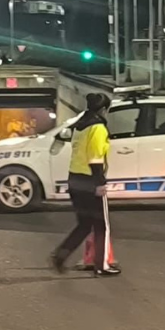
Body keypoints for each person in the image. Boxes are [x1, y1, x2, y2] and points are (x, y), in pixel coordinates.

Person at [50, 92, 121, 277]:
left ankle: (60, 255)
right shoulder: (97, 128)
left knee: (84, 225)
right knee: (101, 226)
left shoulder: (79, 126)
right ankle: (101, 265)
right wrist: (99, 183)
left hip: (75, 180)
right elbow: (95, 158)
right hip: (91, 181)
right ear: (104, 110)